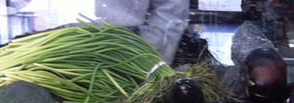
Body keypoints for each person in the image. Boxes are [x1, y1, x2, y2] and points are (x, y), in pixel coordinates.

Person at [15, 0, 189, 63]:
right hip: (53, 44)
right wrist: (38, 19)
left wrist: (149, 57)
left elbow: (171, 7)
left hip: (127, 48)